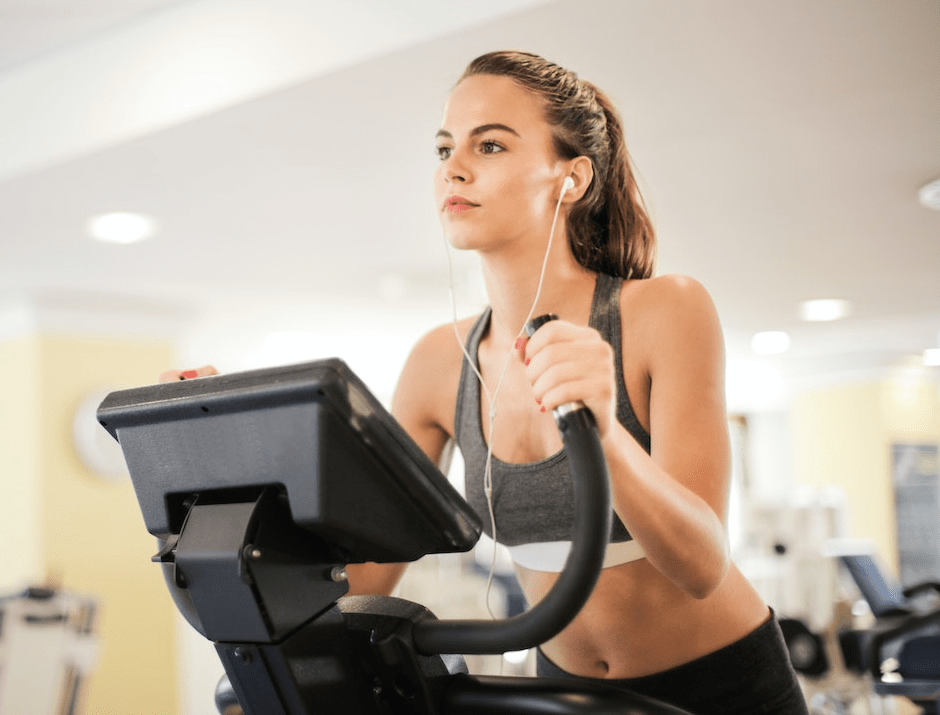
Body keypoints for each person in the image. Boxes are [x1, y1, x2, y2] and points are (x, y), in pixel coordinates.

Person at [165, 50, 807, 714]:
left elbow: (701, 565)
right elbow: (361, 578)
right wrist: (229, 470)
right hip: (564, 691)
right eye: (443, 148)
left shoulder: (662, 311)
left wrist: (601, 428)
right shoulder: (438, 362)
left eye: (490, 144)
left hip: (723, 684)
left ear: (571, 176)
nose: (454, 166)